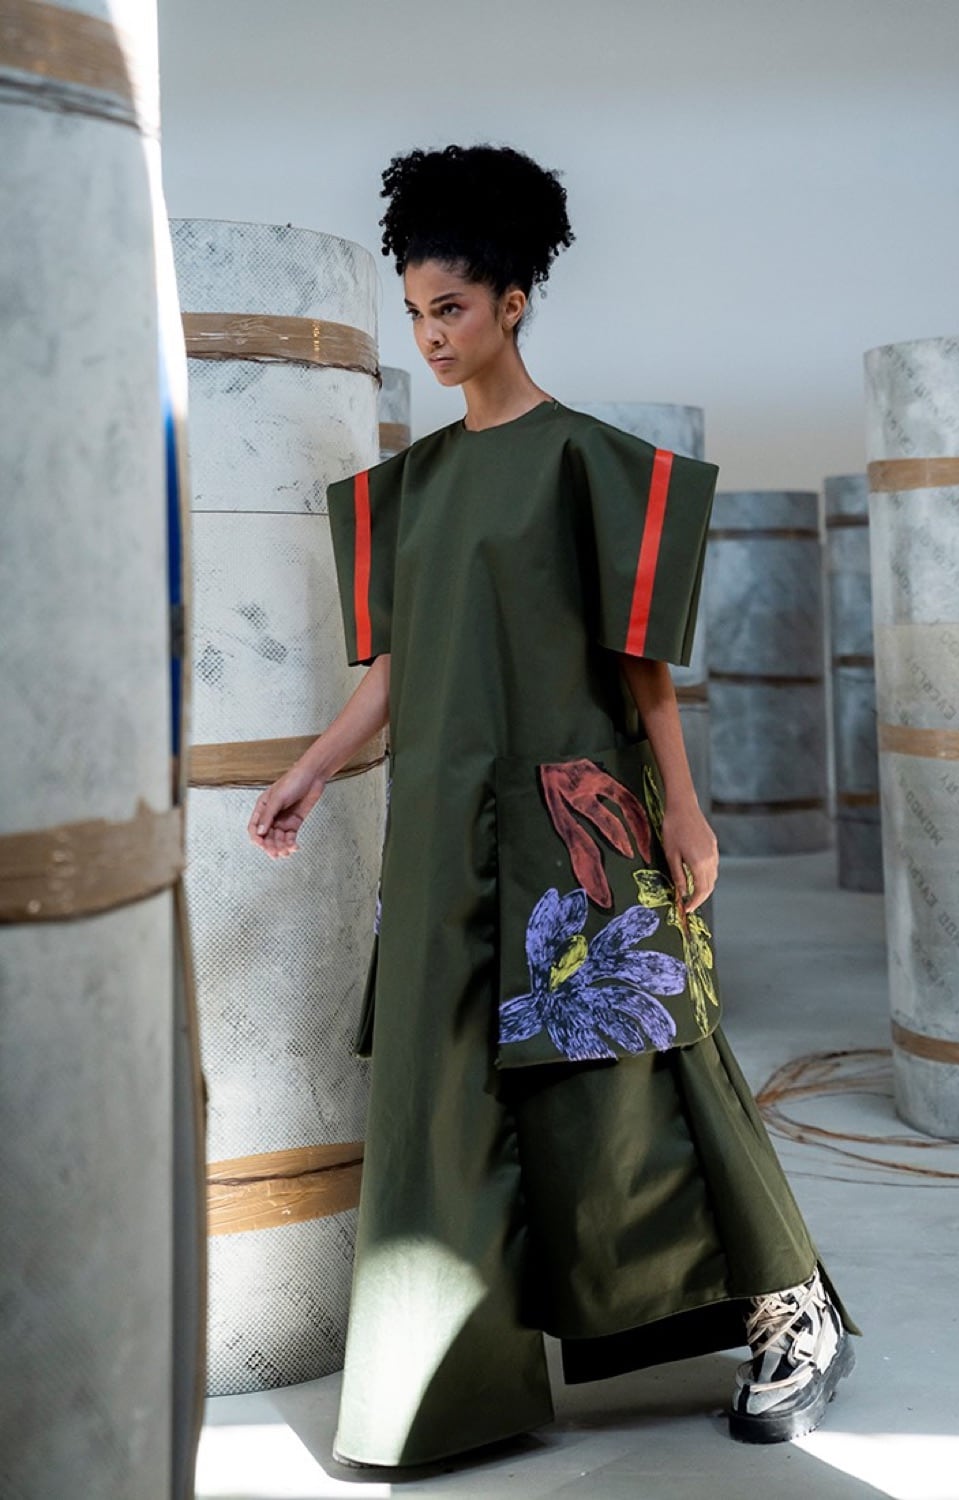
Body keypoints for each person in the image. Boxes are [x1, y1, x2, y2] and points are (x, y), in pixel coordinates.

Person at [248, 142, 858, 1472]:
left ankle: (792, 1310)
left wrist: (685, 813)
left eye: (452, 308)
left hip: (577, 817)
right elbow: (398, 668)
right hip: (441, 833)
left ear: (512, 301)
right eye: (416, 313)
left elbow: (641, 668)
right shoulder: (416, 486)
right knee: (447, 1098)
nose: (431, 336)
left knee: (643, 1077)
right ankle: (449, 1387)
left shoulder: (588, 462)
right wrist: (311, 766)